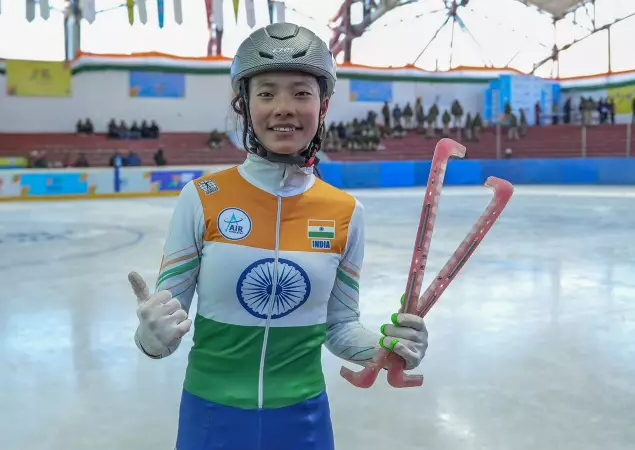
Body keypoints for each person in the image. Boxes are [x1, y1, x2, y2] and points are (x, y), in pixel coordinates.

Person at [126, 22, 429, 450]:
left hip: (303, 421)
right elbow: (165, 326)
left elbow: (339, 326)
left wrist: (387, 345)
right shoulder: (202, 197)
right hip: (211, 417)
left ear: (322, 106)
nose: (284, 107)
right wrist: (150, 337)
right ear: (245, 105)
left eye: (301, 93)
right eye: (267, 93)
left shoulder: (346, 212)